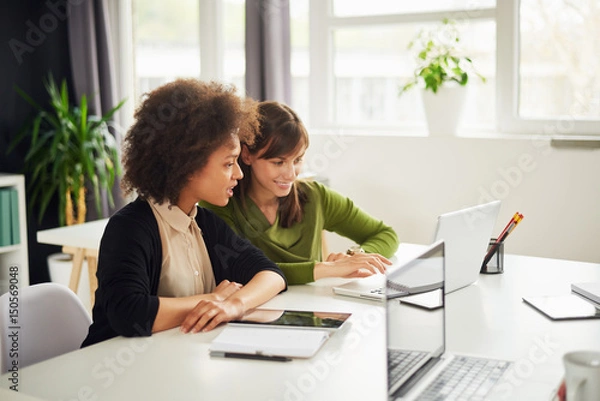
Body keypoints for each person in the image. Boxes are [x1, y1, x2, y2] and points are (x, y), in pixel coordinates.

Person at [81, 80, 287, 347]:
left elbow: (271, 274)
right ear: (188, 166)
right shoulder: (130, 228)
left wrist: (234, 305)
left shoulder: (205, 224)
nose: (238, 173)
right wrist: (212, 299)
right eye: (228, 163)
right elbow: (128, 313)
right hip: (111, 370)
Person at [200, 101, 399, 285]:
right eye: (278, 162)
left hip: (313, 310)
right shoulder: (221, 202)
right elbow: (236, 270)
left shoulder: (316, 196)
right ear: (247, 155)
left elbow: (386, 235)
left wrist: (356, 256)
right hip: (255, 316)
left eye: (297, 160)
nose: (290, 174)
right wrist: (325, 269)